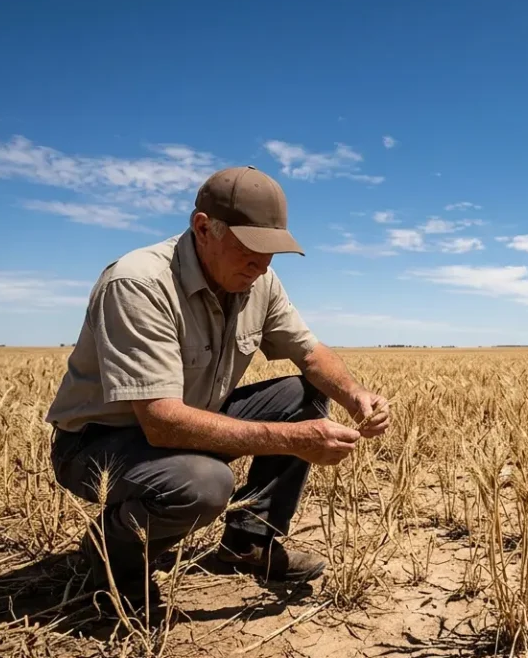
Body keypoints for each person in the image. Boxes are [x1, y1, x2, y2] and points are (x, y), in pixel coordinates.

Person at [44, 165, 389, 611]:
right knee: (205, 483)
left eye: (271, 252)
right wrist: (296, 440)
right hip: (100, 443)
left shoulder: (257, 279)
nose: (262, 263)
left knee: (302, 397)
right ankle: (114, 564)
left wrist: (355, 394)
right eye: (250, 248)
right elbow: (161, 424)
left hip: (185, 422)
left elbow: (309, 352)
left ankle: (248, 544)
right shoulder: (138, 283)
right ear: (203, 228)